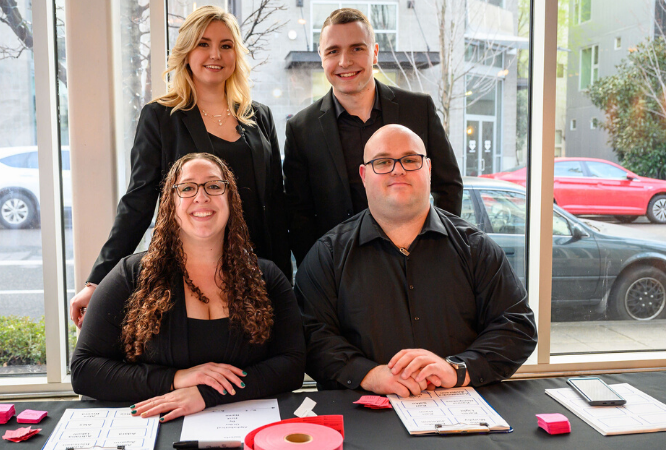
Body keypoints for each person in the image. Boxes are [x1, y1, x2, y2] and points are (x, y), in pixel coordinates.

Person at [70, 5, 290, 328]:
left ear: (236, 54)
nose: (215, 54)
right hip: (187, 274)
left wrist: (284, 282)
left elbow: (275, 205)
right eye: (203, 43)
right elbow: (138, 202)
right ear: (186, 51)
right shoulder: (160, 117)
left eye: (226, 45)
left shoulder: (259, 117)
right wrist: (96, 281)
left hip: (255, 272)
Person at [296, 124, 536, 396]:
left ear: (429, 169)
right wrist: (368, 373)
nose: (398, 169)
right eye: (383, 161)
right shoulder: (327, 255)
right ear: (364, 175)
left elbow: (517, 328)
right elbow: (310, 336)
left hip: (460, 411)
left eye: (410, 160)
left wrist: (456, 369)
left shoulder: (476, 249)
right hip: (363, 414)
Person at [71, 153, 305, 421]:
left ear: (231, 199)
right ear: (171, 203)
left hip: (242, 428)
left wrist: (206, 395)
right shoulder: (131, 276)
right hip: (154, 429)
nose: (201, 197)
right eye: (187, 188)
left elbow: (292, 366)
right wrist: (176, 379)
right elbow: (84, 371)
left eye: (214, 186)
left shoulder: (266, 276)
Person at [283, 8, 464, 266]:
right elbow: (298, 214)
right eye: (333, 51)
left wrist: (436, 249)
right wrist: (318, 271)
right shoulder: (301, 128)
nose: (345, 61)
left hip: (415, 264)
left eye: (357, 48)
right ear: (321, 57)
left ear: (375, 52)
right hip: (339, 274)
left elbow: (449, 186)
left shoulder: (418, 109)